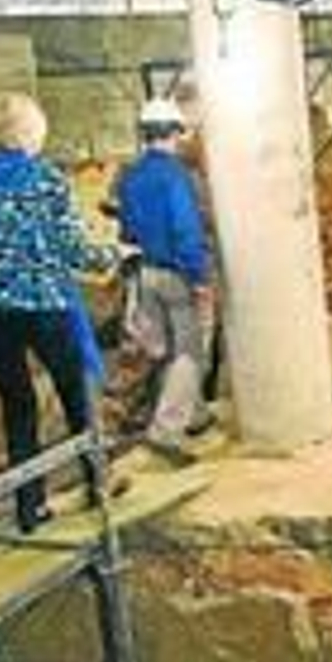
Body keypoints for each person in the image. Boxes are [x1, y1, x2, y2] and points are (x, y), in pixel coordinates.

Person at [0, 93, 112, 533]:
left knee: (17, 405)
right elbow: (72, 247)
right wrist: (109, 255)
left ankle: (29, 507)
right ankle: (97, 484)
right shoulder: (46, 179)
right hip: (43, 304)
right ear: (32, 133)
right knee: (74, 393)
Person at [115, 98, 214, 465]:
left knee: (165, 351)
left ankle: (197, 416)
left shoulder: (130, 174)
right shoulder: (176, 175)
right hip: (176, 274)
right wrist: (199, 276)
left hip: (144, 273)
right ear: (174, 132)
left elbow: (125, 228)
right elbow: (185, 228)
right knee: (189, 352)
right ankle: (166, 432)